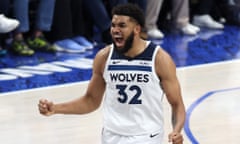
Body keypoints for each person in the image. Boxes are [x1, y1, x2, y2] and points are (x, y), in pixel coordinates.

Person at [38, 3, 186, 144]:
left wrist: (177, 130)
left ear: (136, 29)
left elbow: (177, 104)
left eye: (122, 25)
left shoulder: (159, 59)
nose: (115, 30)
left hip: (147, 136)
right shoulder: (104, 57)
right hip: (111, 135)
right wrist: (56, 108)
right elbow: (90, 101)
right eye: (113, 25)